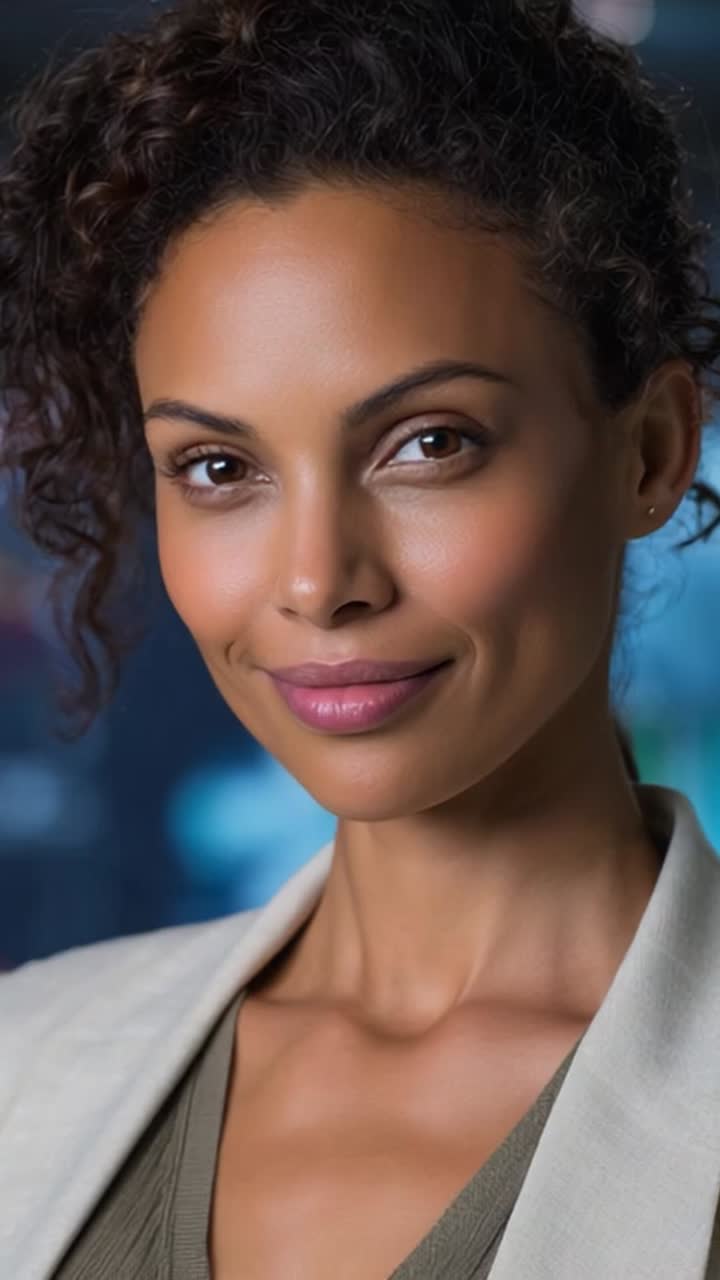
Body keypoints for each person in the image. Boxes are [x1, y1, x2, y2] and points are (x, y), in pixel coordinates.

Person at [1, 0, 720, 1276]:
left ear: (651, 449)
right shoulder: (26, 1062)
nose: (319, 579)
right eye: (219, 466)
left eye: (429, 443)